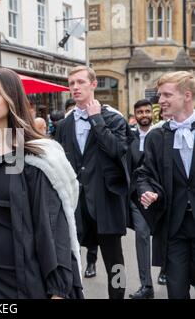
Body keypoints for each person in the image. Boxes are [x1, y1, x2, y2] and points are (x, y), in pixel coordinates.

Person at [0, 67, 83, 299]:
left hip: (26, 279)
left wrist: (59, 290)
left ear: (12, 98)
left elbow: (54, 227)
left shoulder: (38, 159)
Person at [56, 65, 128, 299]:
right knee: (67, 258)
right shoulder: (64, 125)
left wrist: (96, 119)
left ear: (93, 84)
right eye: (71, 83)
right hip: (75, 203)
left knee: (115, 263)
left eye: (80, 82)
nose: (75, 87)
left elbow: (118, 151)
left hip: (106, 201)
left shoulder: (113, 118)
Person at [136, 71, 195, 299]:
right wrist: (147, 191)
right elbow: (144, 174)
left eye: (167, 95)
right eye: (160, 95)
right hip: (174, 226)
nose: (160, 101)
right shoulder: (156, 136)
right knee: (177, 292)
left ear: (187, 96)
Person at [128, 99, 155, 299]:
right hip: (138, 198)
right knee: (142, 238)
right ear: (135, 114)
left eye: (147, 111)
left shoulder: (161, 134)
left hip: (163, 196)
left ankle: (165, 272)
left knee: (168, 238)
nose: (144, 115)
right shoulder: (129, 137)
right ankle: (146, 285)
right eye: (140, 112)